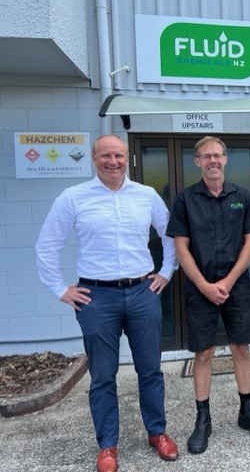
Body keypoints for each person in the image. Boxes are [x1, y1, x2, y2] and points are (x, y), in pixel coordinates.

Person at [35, 135, 179, 472]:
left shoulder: (146, 196)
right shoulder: (73, 198)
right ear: (93, 158)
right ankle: (108, 445)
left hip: (143, 292)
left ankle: (157, 432)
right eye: (105, 156)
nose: (112, 161)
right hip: (96, 297)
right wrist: (60, 289)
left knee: (150, 370)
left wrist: (166, 272)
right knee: (102, 376)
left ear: (126, 157)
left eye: (117, 155)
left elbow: (171, 234)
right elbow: (46, 246)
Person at [166, 136, 250, 454]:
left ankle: (247, 411)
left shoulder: (242, 196)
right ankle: (203, 419)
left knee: (241, 347)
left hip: (236, 286)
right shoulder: (185, 200)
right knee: (204, 353)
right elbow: (181, 248)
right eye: (206, 156)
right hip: (200, 289)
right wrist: (204, 285)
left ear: (226, 160)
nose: (213, 161)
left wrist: (227, 280)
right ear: (196, 162)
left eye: (218, 155)